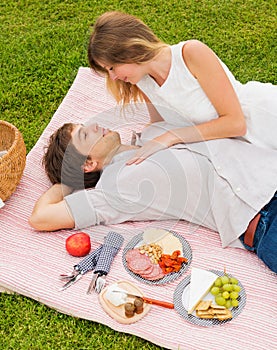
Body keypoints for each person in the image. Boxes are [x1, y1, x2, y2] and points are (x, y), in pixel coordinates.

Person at [29, 120, 277, 273]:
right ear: (88, 164)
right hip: (266, 218)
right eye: (85, 135)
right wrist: (69, 179)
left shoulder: (151, 134)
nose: (95, 125)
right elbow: (40, 217)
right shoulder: (113, 191)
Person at [87, 11, 277, 165]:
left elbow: (236, 123)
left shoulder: (191, 54)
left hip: (264, 123)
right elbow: (158, 126)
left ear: (128, 49)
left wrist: (173, 136)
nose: (113, 77)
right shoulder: (143, 81)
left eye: (112, 68)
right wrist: (124, 152)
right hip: (236, 150)